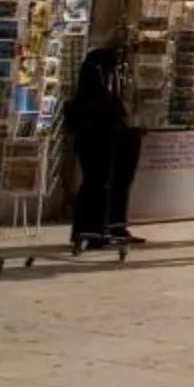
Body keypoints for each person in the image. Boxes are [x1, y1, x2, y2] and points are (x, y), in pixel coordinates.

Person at [65, 39, 139, 252]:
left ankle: (114, 226)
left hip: (116, 134)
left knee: (117, 182)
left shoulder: (117, 72)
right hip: (97, 136)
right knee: (97, 183)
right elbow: (103, 102)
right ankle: (92, 230)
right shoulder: (97, 71)